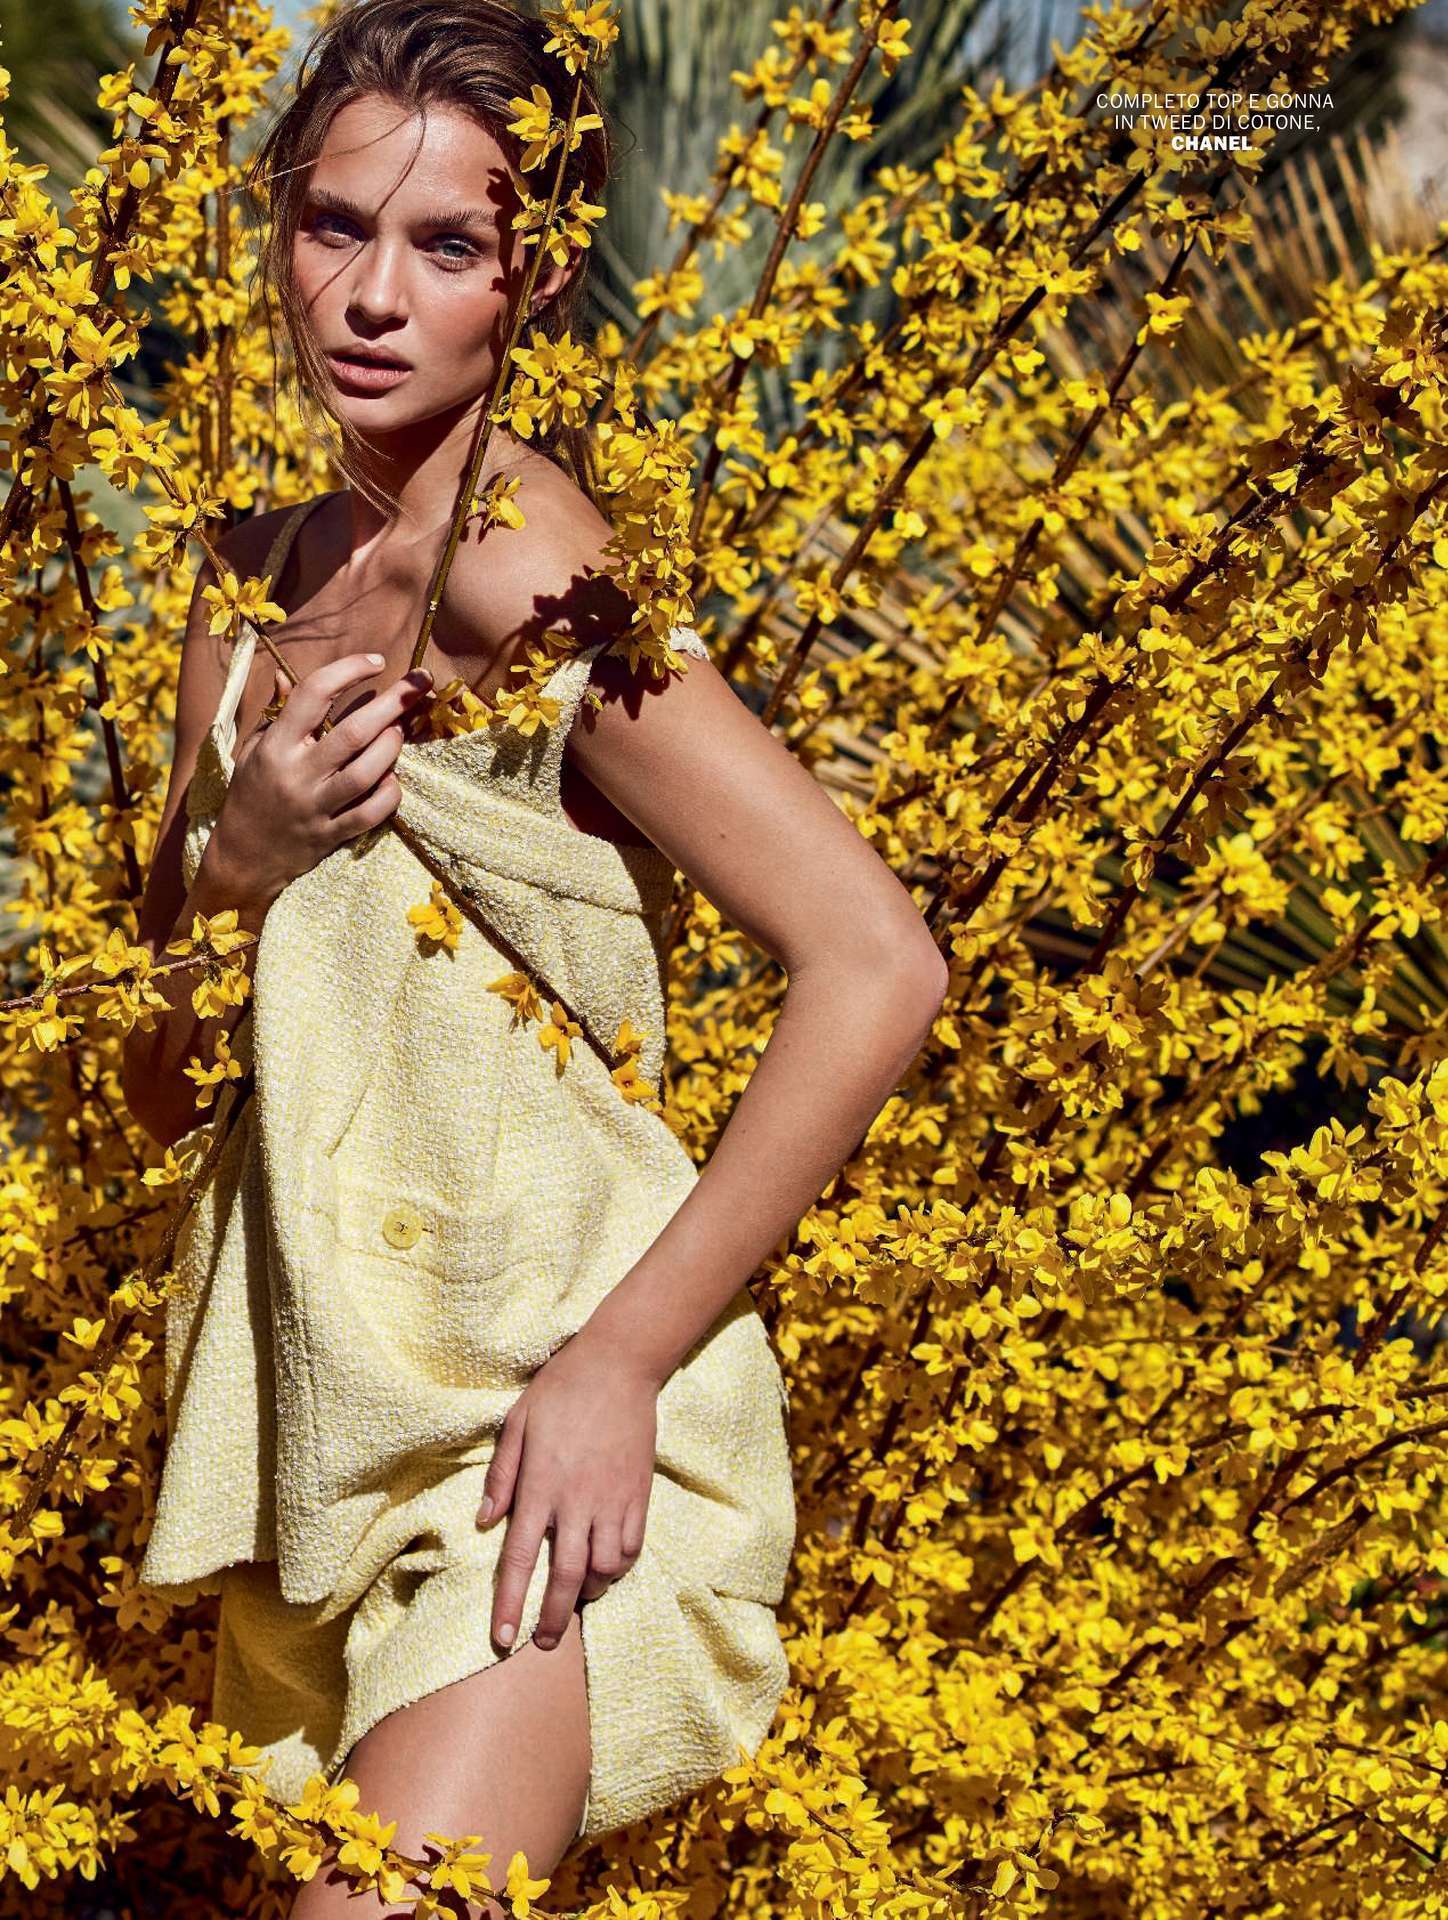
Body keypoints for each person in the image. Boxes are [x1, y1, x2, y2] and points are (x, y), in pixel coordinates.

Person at [121, 2, 948, 1912]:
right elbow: (161, 1091)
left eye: (448, 246)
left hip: (539, 1458)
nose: (374, 298)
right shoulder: (235, 595)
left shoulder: (532, 574)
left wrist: (620, 1364)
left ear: (538, 277)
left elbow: (875, 958)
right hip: (328, 1454)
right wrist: (238, 866)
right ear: (276, 225)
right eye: (337, 226)